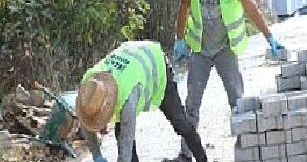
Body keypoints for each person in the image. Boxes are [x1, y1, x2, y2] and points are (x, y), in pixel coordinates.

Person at [169, 0, 286, 162]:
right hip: (200, 50)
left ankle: (248, 147)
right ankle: (185, 153)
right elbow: (183, 6)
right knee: (191, 105)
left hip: (225, 48)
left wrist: (269, 37)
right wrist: (180, 39)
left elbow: (250, 7)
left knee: (237, 100)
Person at [76, 41, 208, 162]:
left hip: (156, 65)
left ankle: (202, 158)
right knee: (120, 132)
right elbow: (86, 122)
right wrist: (97, 156)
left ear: (109, 106)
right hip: (130, 59)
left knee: (180, 122)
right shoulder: (89, 89)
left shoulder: (127, 98)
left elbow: (126, 149)